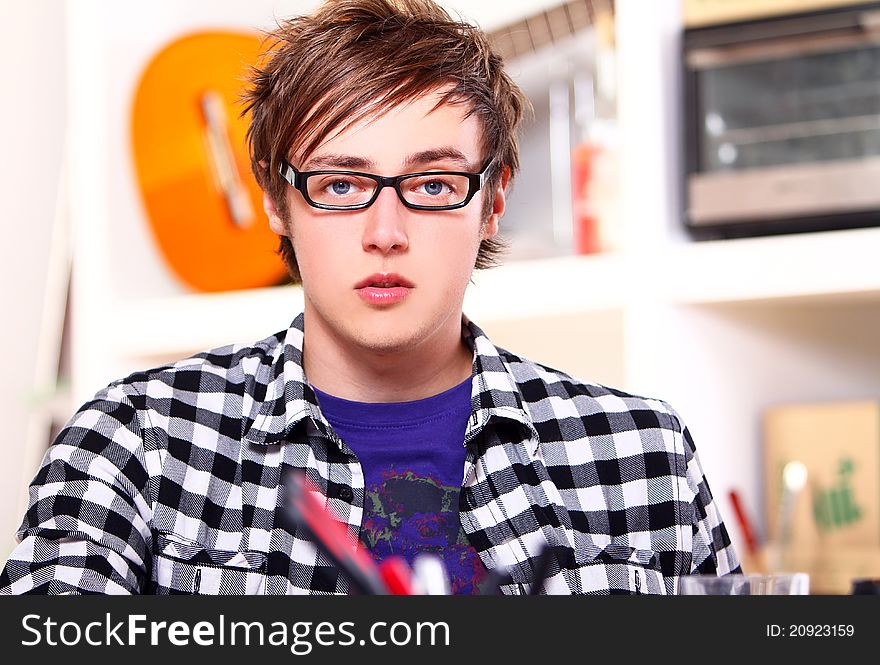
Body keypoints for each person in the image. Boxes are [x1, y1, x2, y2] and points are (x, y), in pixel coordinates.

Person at [0, 0, 739, 595]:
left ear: (493, 200)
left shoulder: (643, 451)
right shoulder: (137, 442)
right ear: (277, 202)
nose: (386, 231)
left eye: (433, 185)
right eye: (342, 184)